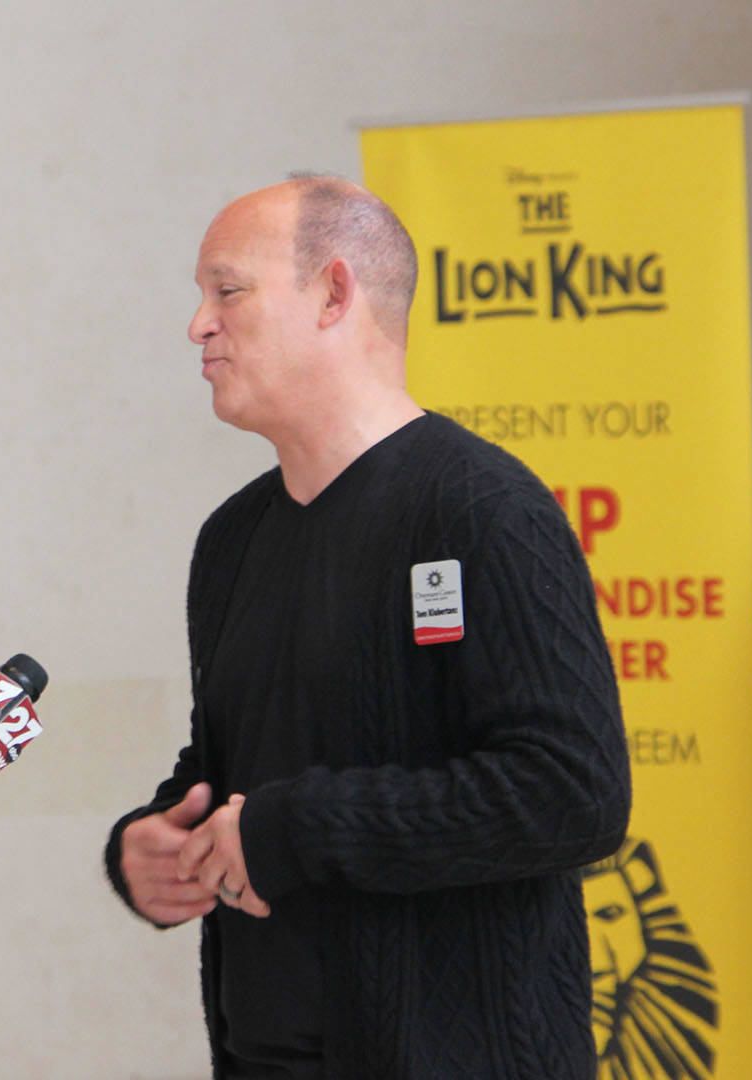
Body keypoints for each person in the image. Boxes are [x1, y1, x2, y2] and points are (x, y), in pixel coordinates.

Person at [104, 176, 631, 1079]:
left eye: (227, 291)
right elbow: (235, 771)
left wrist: (300, 828)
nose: (198, 324)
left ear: (335, 293)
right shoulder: (231, 539)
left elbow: (573, 792)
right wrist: (156, 842)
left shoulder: (484, 510)